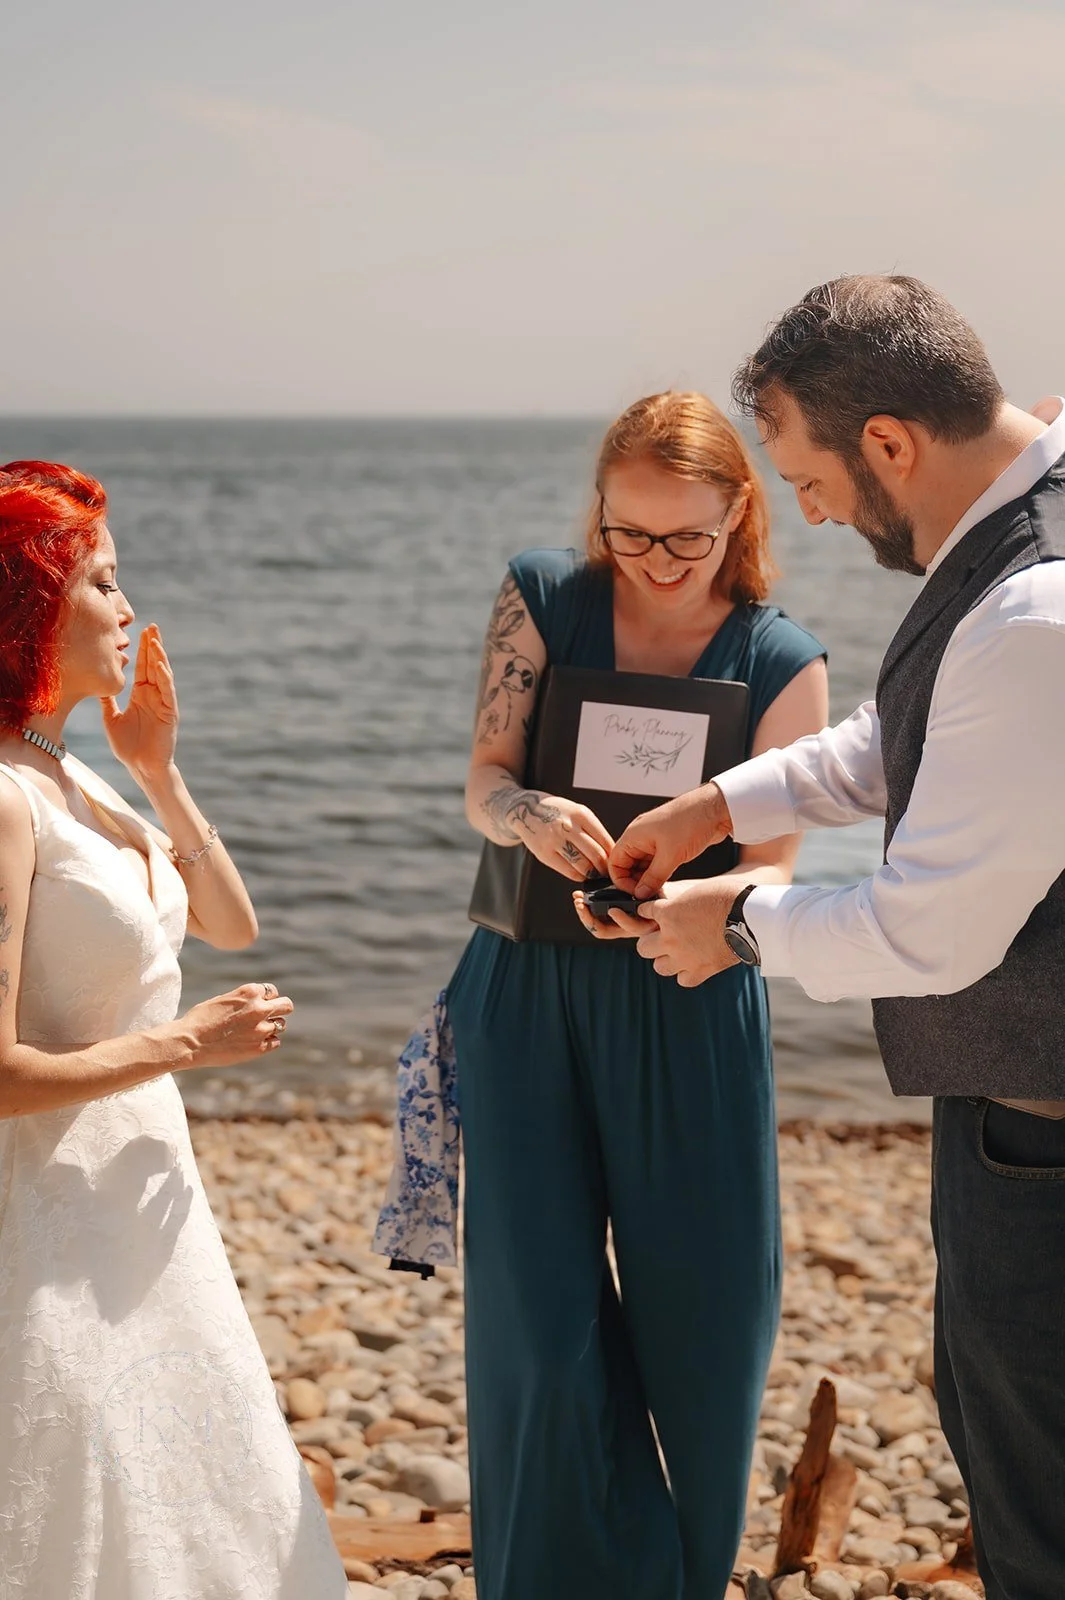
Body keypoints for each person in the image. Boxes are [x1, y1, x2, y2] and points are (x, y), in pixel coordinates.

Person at [608, 278, 1065, 1600]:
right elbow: (903, 740)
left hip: (1042, 1131)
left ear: (887, 445)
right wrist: (718, 806)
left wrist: (737, 926)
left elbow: (930, 936)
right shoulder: (1014, 527)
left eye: (806, 478)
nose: (800, 511)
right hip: (1022, 1110)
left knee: (1035, 1507)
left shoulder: (1032, 615)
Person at [445, 393, 828, 1600]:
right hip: (528, 992)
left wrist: (710, 912)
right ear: (599, 516)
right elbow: (484, 778)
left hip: (691, 1007)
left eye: (688, 540)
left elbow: (774, 871)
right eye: (631, 535)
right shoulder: (544, 594)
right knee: (539, 1330)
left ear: (739, 516)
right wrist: (524, 814)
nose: (658, 566)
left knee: (706, 1338)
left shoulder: (783, 659)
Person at [0, 461, 347, 1598]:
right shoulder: (2, 797)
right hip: (46, 1219)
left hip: (149, 1201)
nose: (126, 607)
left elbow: (231, 925)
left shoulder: (76, 774)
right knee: (83, 1482)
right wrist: (185, 1048)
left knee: (207, 1471)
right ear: (33, 604)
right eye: (102, 581)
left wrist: (158, 767)